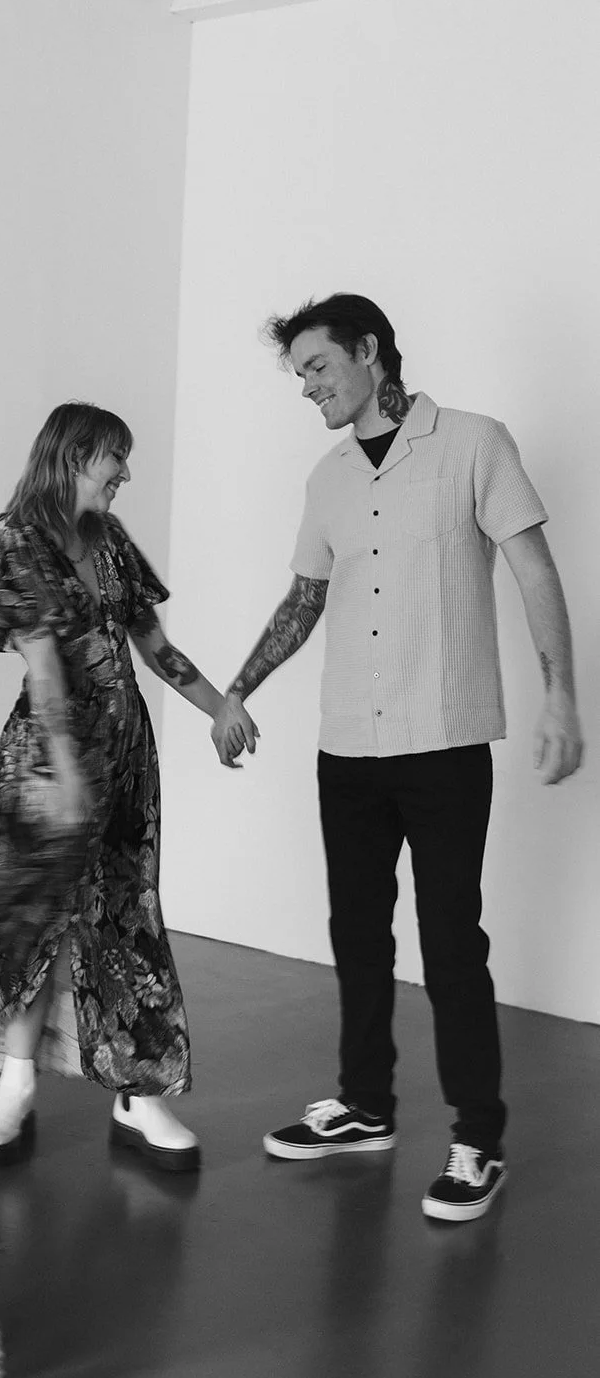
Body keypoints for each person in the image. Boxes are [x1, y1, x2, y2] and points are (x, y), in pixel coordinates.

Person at [211, 294, 583, 1222]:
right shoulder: (327, 477)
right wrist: (238, 690)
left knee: (453, 947)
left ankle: (476, 1141)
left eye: (317, 368)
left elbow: (534, 569)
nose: (306, 389)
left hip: (445, 740)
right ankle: (366, 1106)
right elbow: (303, 598)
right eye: (298, 375)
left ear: (367, 352)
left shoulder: (471, 443)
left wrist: (561, 694)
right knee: (357, 934)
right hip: (349, 748)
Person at [0, 402, 227, 1172]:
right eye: (114, 460)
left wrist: (217, 705)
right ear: (72, 458)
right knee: (31, 922)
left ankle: (138, 1092)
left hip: (124, 757)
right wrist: (65, 774)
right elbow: (44, 667)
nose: (125, 473)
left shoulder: (108, 541)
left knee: (125, 919)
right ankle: (15, 1086)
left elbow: (153, 644)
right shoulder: (15, 543)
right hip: (45, 768)